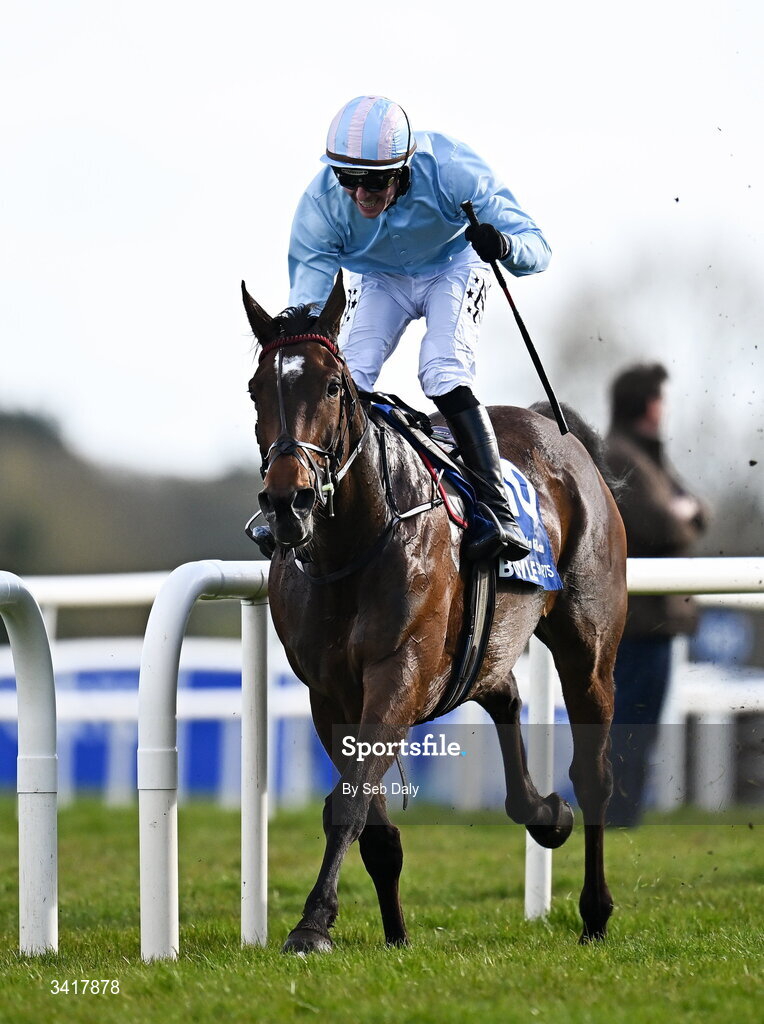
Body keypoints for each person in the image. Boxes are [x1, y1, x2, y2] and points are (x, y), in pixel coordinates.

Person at [251, 94, 551, 564]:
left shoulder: (453, 169)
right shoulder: (320, 205)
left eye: (373, 181)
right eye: (348, 179)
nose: (360, 194)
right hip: (380, 280)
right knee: (348, 379)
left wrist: (504, 244)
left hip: (453, 266)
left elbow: (538, 248)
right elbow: (306, 313)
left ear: (404, 167)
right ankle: (308, 506)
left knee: (441, 368)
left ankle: (497, 510)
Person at [605, 363, 708, 827]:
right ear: (648, 404)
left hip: (656, 623)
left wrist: (682, 511)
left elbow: (699, 511)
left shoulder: (649, 457)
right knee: (629, 728)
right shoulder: (620, 455)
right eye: (661, 398)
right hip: (640, 624)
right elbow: (662, 524)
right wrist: (680, 512)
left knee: (639, 730)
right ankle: (617, 818)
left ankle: (626, 816)